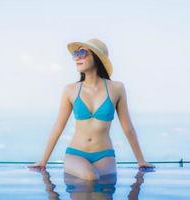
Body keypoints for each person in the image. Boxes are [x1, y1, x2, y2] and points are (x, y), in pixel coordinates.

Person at [27, 38, 155, 180]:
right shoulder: (70, 90)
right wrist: (43, 161)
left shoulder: (117, 88)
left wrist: (141, 161)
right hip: (76, 154)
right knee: (91, 177)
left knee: (102, 190)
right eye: (75, 54)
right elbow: (58, 126)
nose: (77, 57)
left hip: (105, 155)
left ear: (97, 57)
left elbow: (128, 128)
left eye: (82, 52)